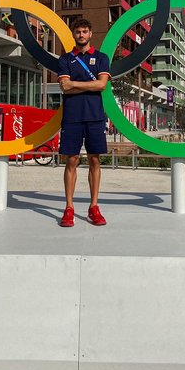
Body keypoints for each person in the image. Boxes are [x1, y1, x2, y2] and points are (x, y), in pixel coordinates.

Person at [57, 18, 111, 227]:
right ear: (73, 34)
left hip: (95, 116)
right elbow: (64, 88)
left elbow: (102, 85)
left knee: (94, 160)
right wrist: (90, 84)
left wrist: (74, 84)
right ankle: (69, 207)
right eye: (78, 32)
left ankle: (94, 206)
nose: (81, 35)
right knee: (71, 161)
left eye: (85, 31)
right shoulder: (65, 59)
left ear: (91, 34)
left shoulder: (101, 58)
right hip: (72, 117)